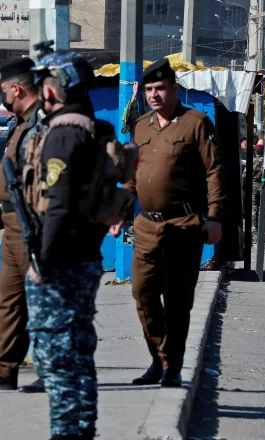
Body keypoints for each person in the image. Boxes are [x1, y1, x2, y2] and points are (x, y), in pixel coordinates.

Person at [24, 49, 125, 440]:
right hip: (83, 255)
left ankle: (67, 433)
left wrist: (43, 262)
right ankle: (83, 429)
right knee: (79, 352)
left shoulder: (63, 135)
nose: (41, 92)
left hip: (62, 261)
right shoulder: (92, 128)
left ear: (59, 87)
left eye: (45, 83)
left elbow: (60, 204)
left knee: (57, 357)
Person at [125, 58, 225, 388]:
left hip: (184, 224)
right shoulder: (141, 126)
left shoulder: (195, 123)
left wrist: (214, 218)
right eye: (150, 89)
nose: (154, 94)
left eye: (160, 88)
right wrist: (119, 211)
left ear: (174, 89)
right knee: (143, 293)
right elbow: (132, 173)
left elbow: (214, 172)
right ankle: (159, 357)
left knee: (178, 299)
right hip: (146, 226)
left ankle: (172, 367)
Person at [0, 58, 42, 392]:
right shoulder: (18, 123)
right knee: (10, 299)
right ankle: (5, 370)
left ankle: (50, 369)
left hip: (30, 223)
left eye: (4, 91)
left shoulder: (40, 124)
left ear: (16, 89)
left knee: (40, 300)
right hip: (10, 222)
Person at [243, 140, 265, 241]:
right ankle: (263, 233)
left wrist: (243, 187)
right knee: (264, 211)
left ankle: (255, 233)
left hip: (253, 187)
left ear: (255, 152)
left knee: (254, 210)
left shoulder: (251, 161)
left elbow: (244, 176)